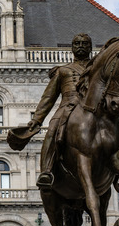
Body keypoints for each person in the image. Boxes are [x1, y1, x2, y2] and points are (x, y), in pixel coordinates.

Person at [27, 33, 92, 188]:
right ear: (72, 48)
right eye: (77, 44)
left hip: (92, 107)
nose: (80, 46)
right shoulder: (63, 71)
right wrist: (37, 119)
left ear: (90, 47)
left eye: (84, 43)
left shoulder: (98, 68)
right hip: (67, 106)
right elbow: (48, 98)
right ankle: (47, 171)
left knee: (117, 129)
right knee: (52, 130)